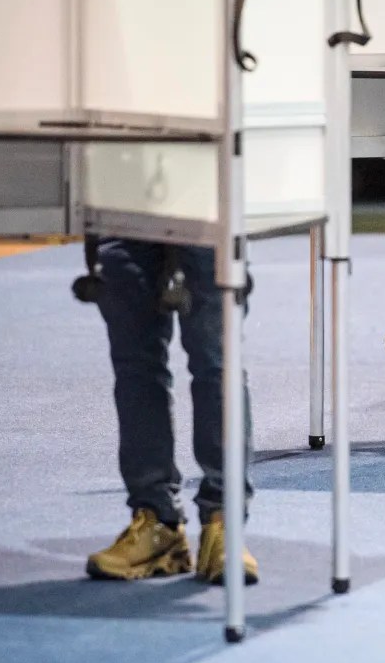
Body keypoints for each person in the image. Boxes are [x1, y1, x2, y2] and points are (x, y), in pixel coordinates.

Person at [85, 240, 258, 584]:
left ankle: (224, 525)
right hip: (124, 210)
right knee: (135, 366)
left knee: (218, 363)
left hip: (210, 206)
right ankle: (155, 523)